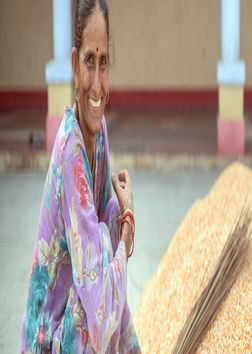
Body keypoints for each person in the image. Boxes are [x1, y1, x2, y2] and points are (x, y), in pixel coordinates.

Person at [20, 0, 140, 352]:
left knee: (112, 284)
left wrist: (120, 218)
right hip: (50, 336)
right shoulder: (70, 149)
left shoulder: (99, 130)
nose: (98, 84)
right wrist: (126, 231)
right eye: (90, 62)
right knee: (102, 302)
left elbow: (105, 219)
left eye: (104, 63)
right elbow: (100, 308)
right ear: (74, 65)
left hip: (79, 314)